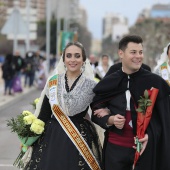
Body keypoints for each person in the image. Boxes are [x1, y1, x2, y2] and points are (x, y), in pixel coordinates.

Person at [91, 35, 170, 170]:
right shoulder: (110, 81)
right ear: (121, 53)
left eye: (140, 52)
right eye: (133, 52)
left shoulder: (155, 82)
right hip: (115, 151)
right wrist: (110, 119)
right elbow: (96, 111)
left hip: (145, 151)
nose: (138, 56)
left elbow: (163, 118)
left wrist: (149, 135)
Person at [24, 42, 103, 170]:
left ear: (83, 60)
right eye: (69, 56)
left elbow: (98, 113)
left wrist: (110, 119)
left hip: (79, 137)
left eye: (77, 56)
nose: (73, 60)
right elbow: (43, 115)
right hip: (52, 137)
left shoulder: (92, 86)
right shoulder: (53, 82)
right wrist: (29, 139)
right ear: (64, 59)